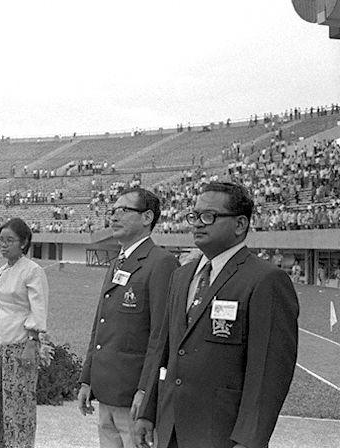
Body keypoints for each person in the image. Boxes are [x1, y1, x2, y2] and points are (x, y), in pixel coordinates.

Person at [133, 182, 299, 448]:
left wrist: (250, 439)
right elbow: (164, 349)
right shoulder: (181, 276)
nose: (198, 223)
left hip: (221, 433)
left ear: (240, 224)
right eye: (194, 216)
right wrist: (147, 411)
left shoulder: (265, 280)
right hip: (171, 428)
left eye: (209, 216)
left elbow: (269, 371)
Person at [78, 188, 179, 448]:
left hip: (133, 396)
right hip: (106, 390)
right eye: (113, 211)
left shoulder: (161, 262)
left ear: (147, 218)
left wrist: (145, 392)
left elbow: (160, 335)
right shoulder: (117, 262)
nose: (114, 216)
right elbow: (100, 325)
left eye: (123, 210)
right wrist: (87, 378)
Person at [0, 217, 49, 448]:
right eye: (0, 239)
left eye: (9, 240)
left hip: (21, 345)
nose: (3, 244)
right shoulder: (2, 270)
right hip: (1, 344)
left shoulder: (33, 271)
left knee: (19, 404)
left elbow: (38, 308)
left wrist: (32, 342)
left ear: (23, 242)